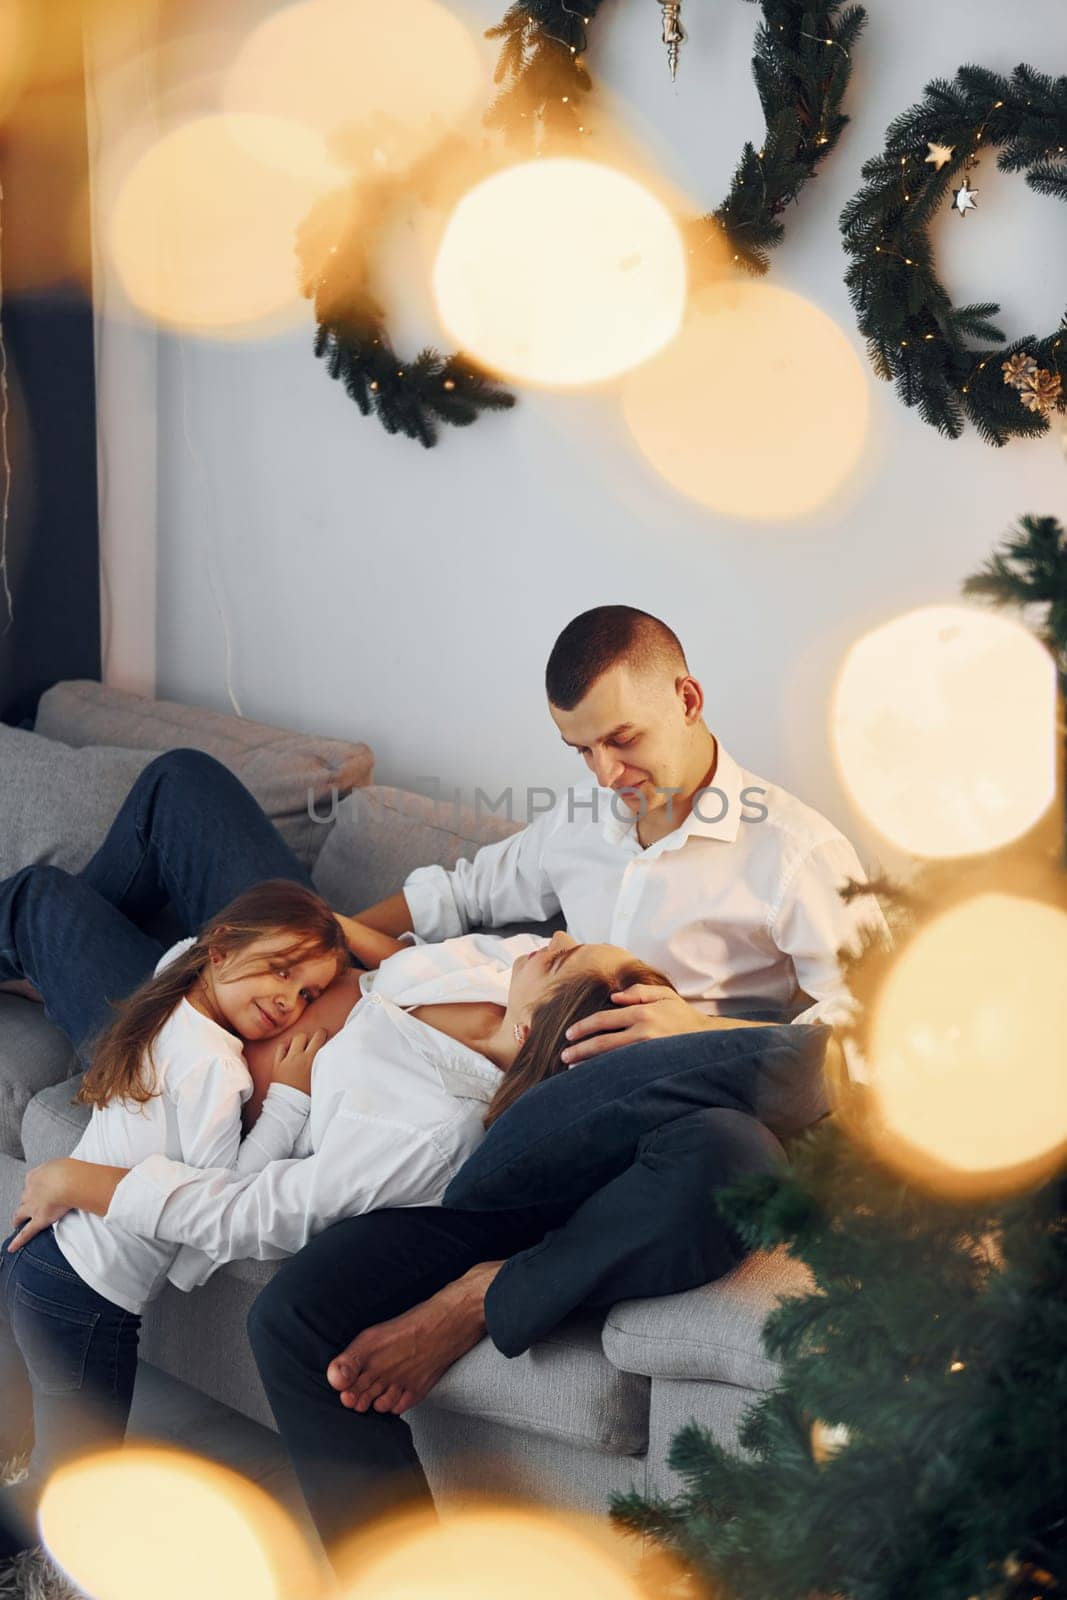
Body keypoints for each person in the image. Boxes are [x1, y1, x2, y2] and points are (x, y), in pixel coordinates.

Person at [3, 605, 887, 1550]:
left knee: (47, 909)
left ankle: (63, 965)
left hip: (585, 1108)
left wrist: (691, 1025)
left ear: (688, 699)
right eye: (577, 750)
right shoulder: (566, 847)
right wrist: (322, 940)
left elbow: (877, 1036)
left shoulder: (791, 855)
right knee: (181, 785)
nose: (603, 775)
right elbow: (456, 894)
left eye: (621, 742)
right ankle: (79, 969)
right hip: (348, 999)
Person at [0, 879, 346, 1518]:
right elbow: (221, 1200)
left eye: (308, 993)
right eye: (280, 968)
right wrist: (290, 1099)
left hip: (31, 1253)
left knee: (13, 1435)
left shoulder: (165, 993)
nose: (288, 999)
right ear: (220, 952)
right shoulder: (217, 1069)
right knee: (72, 1492)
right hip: (86, 1298)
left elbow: (185, 946)